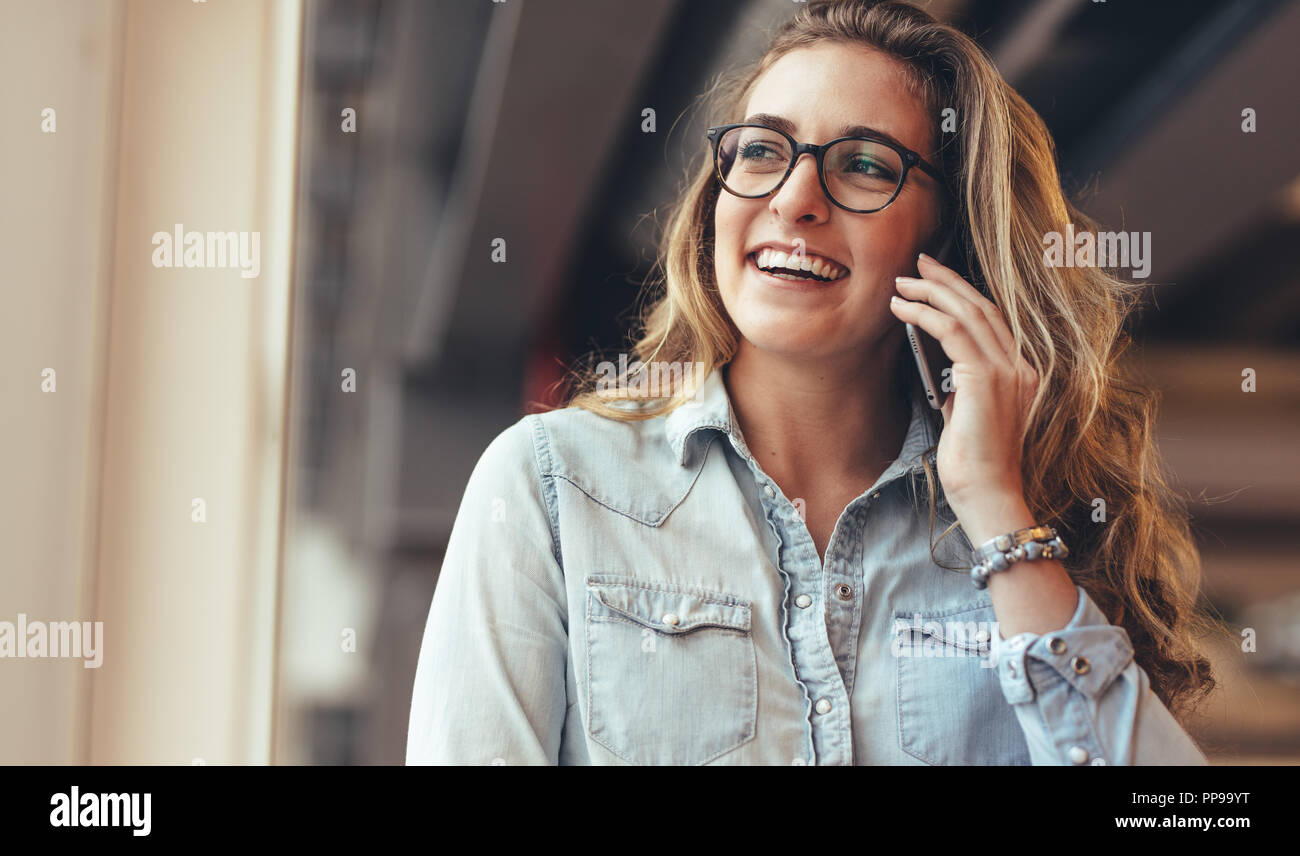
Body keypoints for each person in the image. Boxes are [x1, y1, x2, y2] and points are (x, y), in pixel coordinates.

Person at [407, 0, 1217, 765]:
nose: (794, 200)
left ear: (952, 239)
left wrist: (1000, 516)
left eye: (864, 165)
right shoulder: (552, 488)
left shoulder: (1041, 523)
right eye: (762, 149)